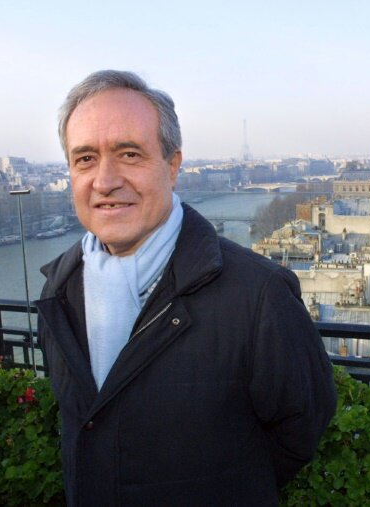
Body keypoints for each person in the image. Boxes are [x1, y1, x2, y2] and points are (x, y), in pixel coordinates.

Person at [36, 70, 336, 506]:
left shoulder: (260, 295)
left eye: (129, 154)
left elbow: (301, 429)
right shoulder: (59, 289)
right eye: (85, 158)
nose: (104, 180)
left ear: (173, 165)